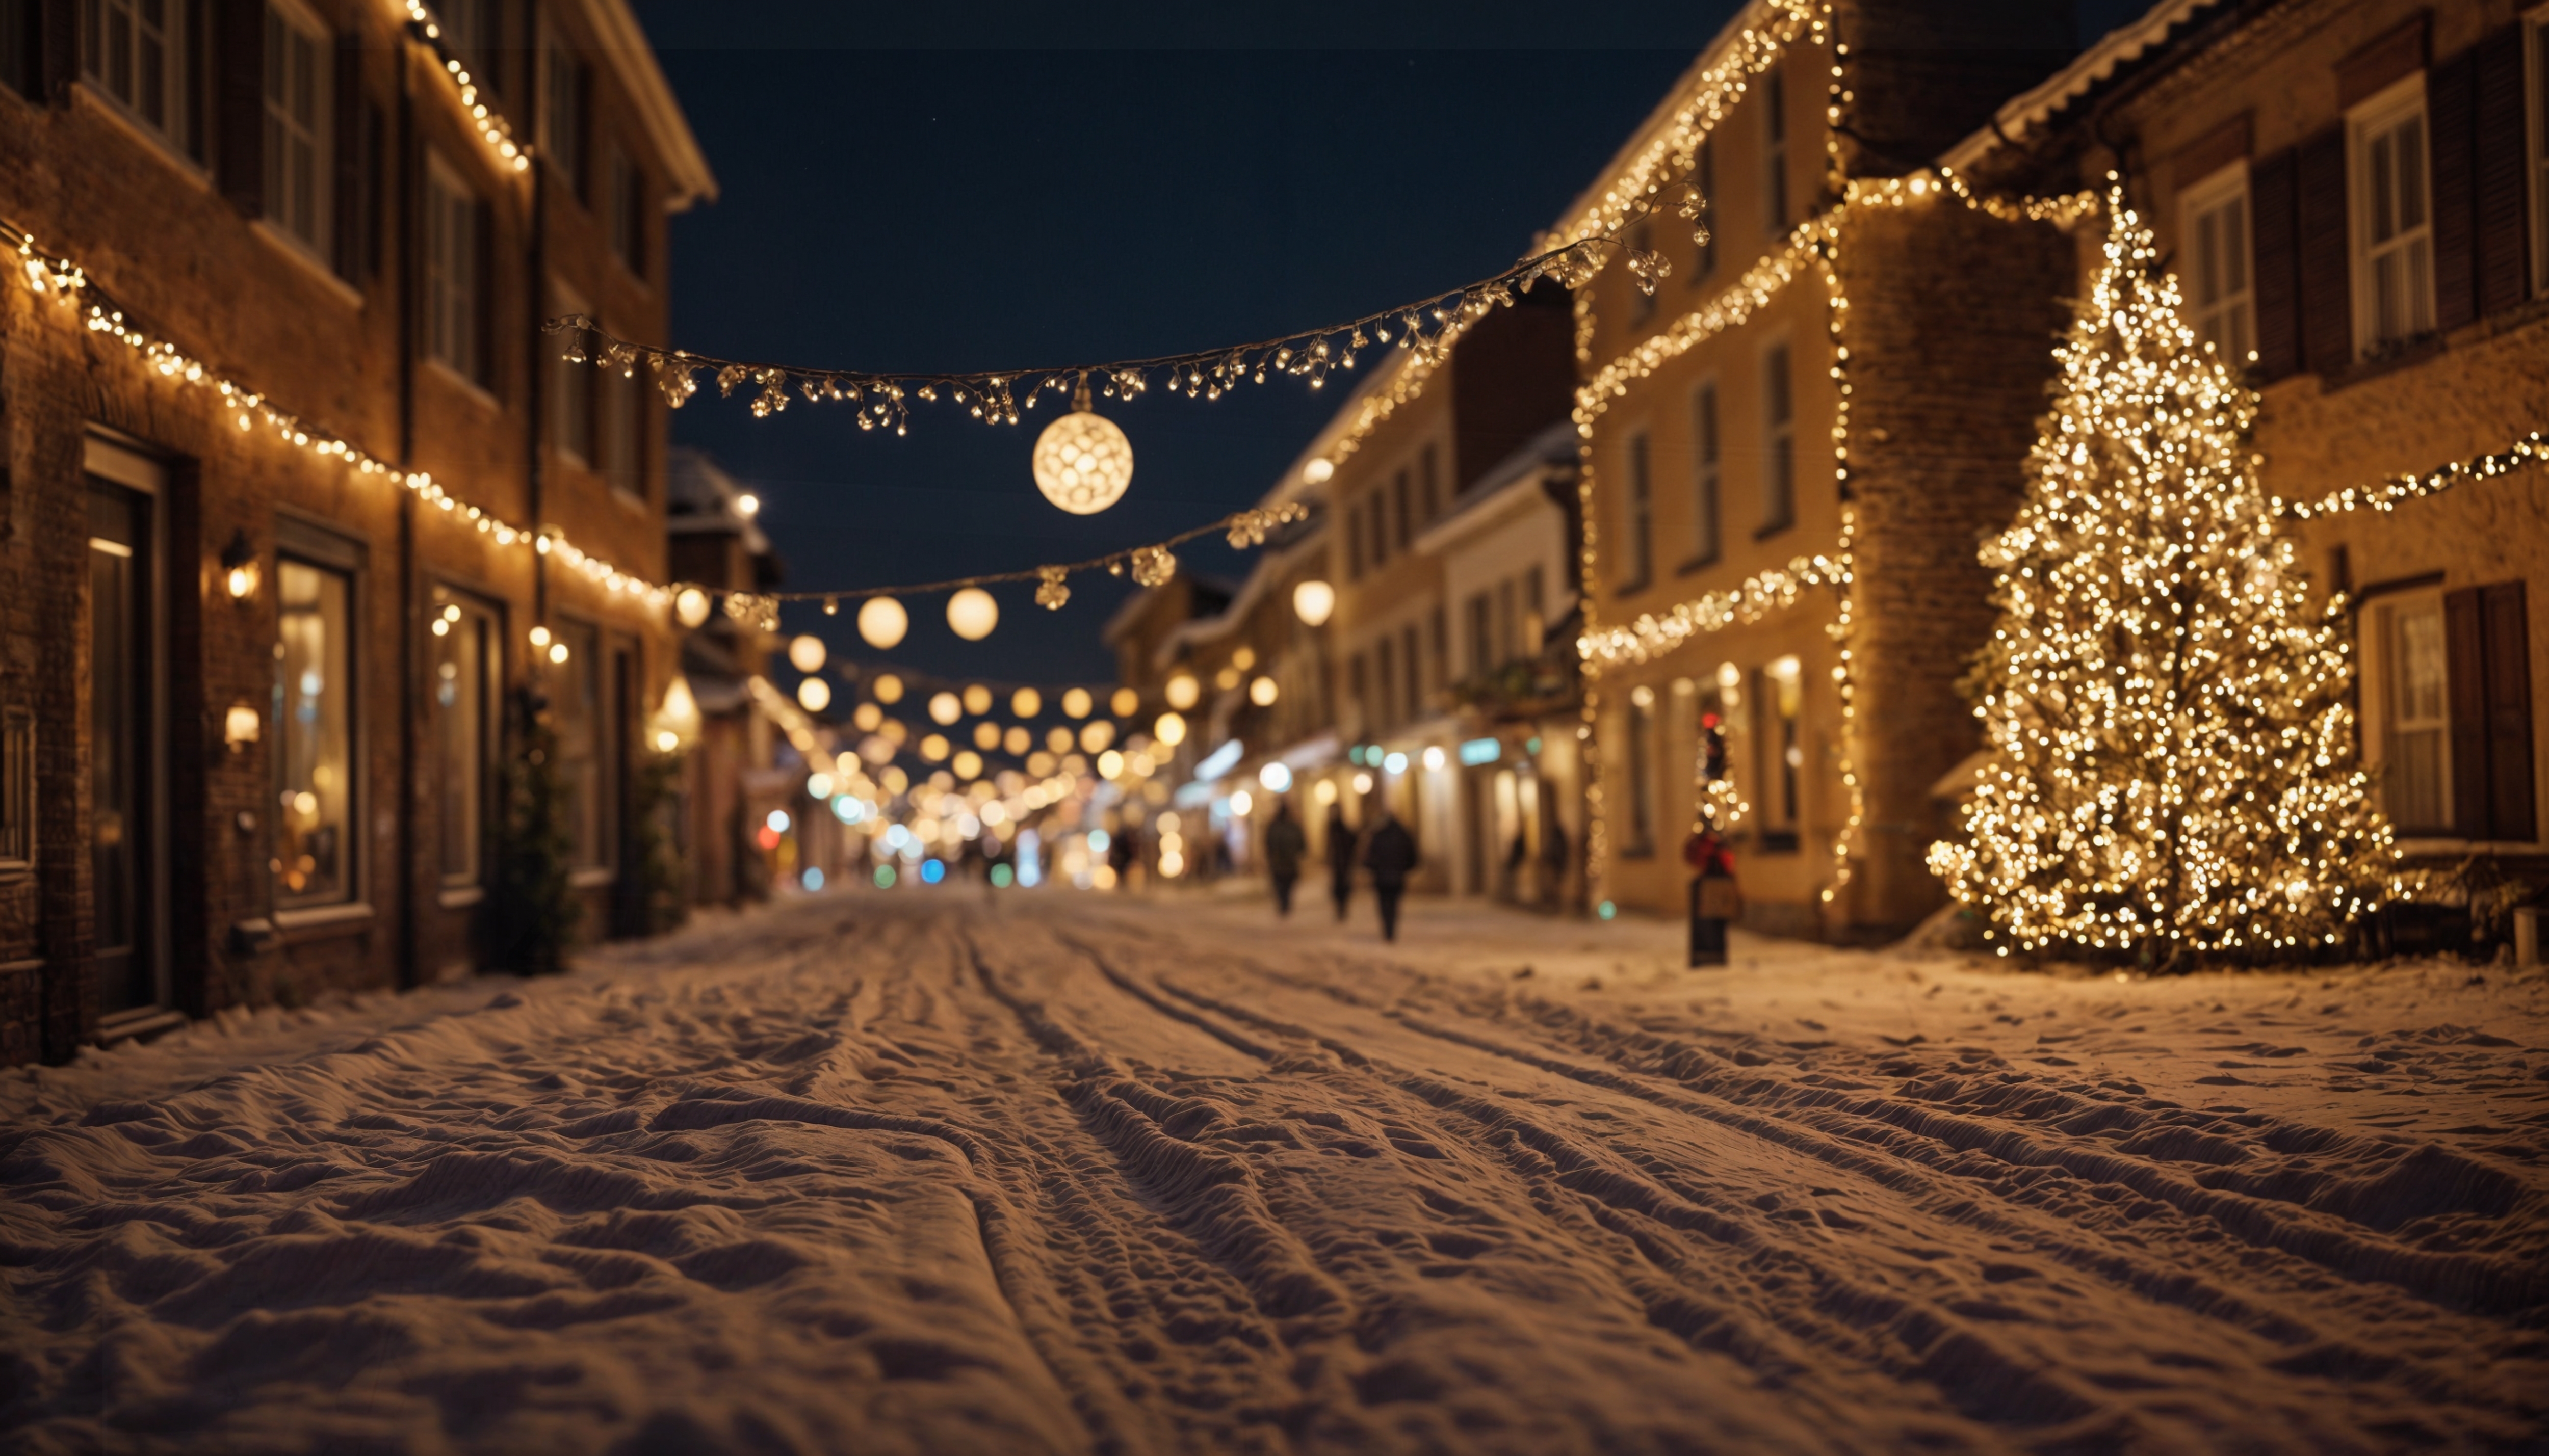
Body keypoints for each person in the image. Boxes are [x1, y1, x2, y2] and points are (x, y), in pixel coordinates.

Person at [1682, 824, 1738, 967]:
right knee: (1707, 926)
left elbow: (1728, 861)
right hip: (1708, 890)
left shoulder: (1722, 844)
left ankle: (1715, 955)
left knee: (1716, 926)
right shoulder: (1703, 843)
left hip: (1717, 888)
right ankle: (1707, 955)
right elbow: (1693, 856)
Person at [1362, 807, 1419, 942]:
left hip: (1381, 877)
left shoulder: (1378, 835)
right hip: (1397, 876)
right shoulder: (1403, 834)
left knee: (1384, 904)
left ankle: (1388, 929)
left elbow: (1369, 857)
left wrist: (1373, 868)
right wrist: (1406, 868)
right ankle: (1391, 929)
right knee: (1394, 903)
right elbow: (1412, 855)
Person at [1263, 800, 1307, 917]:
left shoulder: (1275, 826)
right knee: (1286, 886)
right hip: (1288, 864)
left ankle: (1284, 905)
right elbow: (1302, 845)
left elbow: (1268, 845)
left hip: (1279, 864)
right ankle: (1285, 905)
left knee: (1282, 886)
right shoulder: (1292, 826)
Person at [1325, 806, 1359, 921]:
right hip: (1338, 864)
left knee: (1343, 887)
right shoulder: (1332, 829)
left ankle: (1342, 909)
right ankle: (1340, 909)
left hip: (1344, 864)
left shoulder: (1343, 829)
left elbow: (1352, 842)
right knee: (1339, 887)